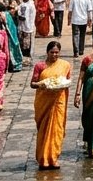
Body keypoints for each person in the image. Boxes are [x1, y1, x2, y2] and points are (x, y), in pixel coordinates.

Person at [30, 40, 71, 171]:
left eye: (57, 53)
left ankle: (53, 158)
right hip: (44, 102)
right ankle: (43, 159)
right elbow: (33, 83)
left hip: (59, 101)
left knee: (57, 130)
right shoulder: (40, 66)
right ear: (47, 52)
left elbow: (67, 81)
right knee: (43, 129)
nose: (54, 55)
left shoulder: (65, 65)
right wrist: (43, 84)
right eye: (52, 52)